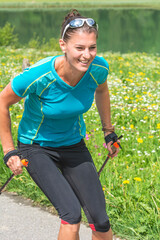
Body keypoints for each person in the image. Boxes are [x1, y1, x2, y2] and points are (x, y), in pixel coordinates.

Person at [0, 9, 120, 240]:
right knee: (71, 214)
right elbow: (2, 102)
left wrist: (108, 132)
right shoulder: (39, 75)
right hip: (36, 147)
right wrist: (9, 151)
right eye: (80, 48)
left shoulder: (99, 69)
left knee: (101, 222)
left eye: (92, 47)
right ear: (63, 45)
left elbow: (102, 90)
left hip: (73, 145)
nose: (87, 55)